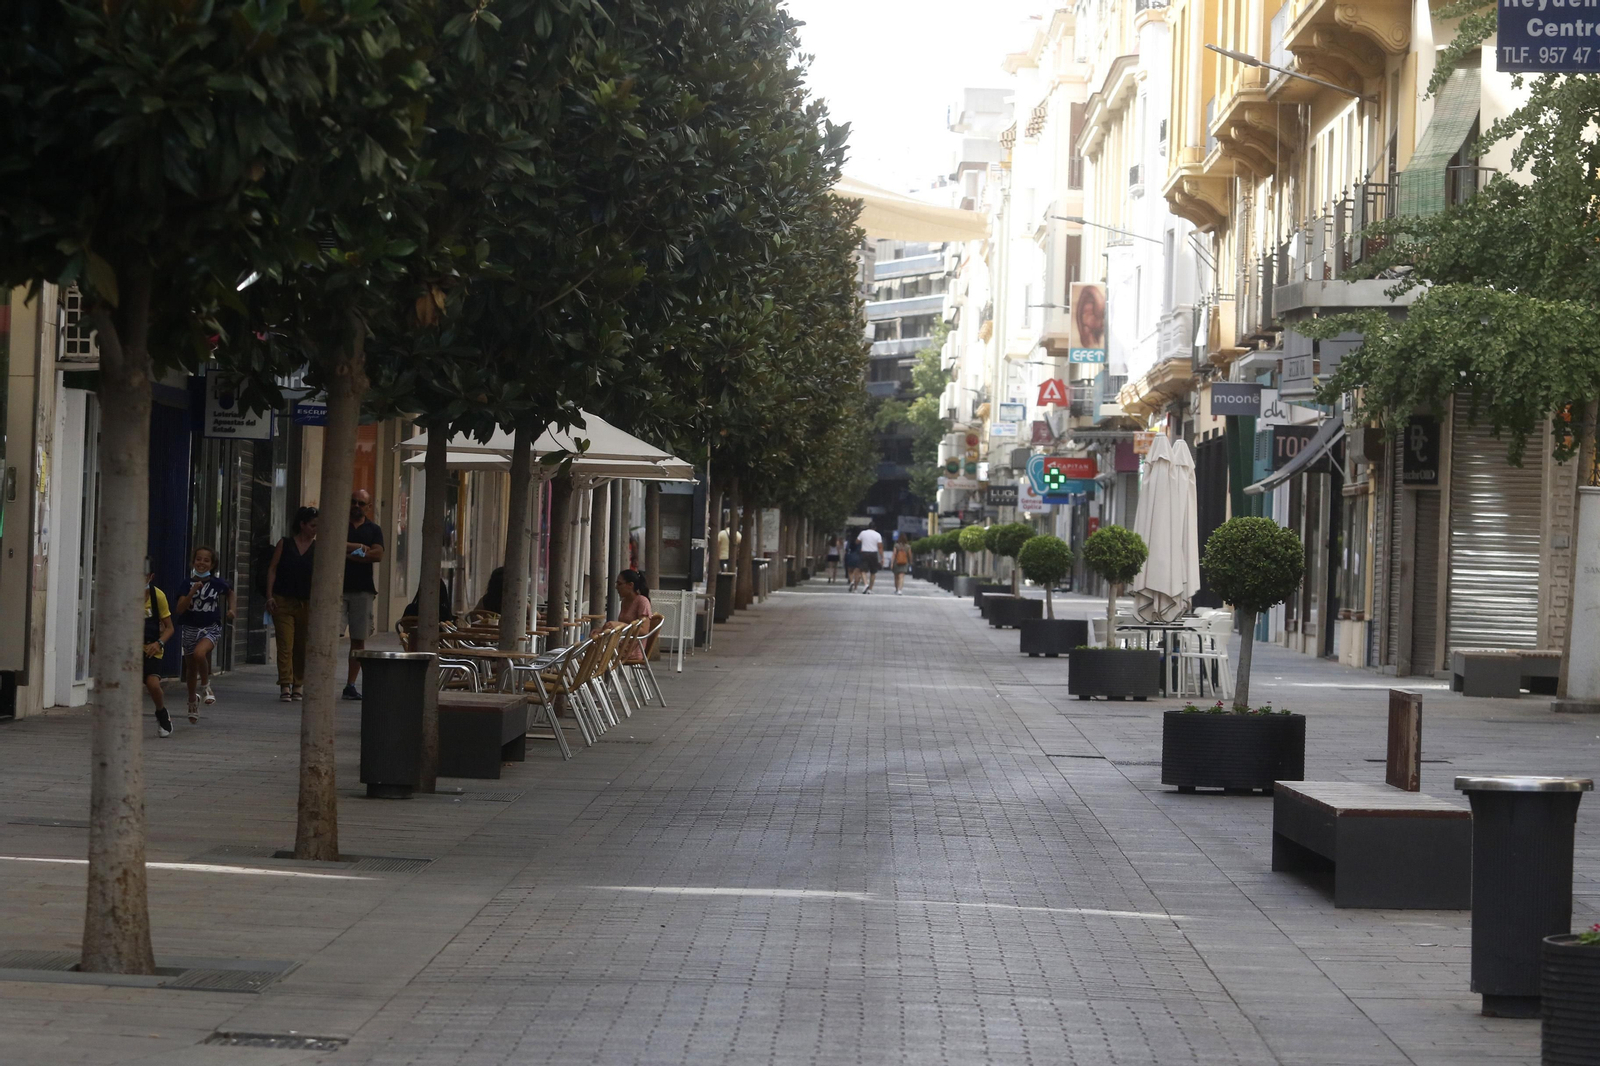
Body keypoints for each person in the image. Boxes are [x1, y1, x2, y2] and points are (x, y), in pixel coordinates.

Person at [174, 546, 234, 723]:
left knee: (201, 653)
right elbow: (179, 609)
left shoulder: (217, 583)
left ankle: (206, 686)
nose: (202, 563)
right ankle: (192, 701)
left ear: (212, 564)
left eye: (206, 560)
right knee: (191, 668)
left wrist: (232, 609)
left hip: (211, 627)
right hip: (190, 628)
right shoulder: (186, 583)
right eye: (198, 559)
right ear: (193, 562)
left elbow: (230, 592)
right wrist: (193, 591)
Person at [266, 506, 317, 702]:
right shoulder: (285, 544)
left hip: (306, 602)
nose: (315, 529)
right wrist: (270, 595)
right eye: (312, 525)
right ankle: (285, 684)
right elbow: (273, 569)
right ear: (302, 525)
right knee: (285, 644)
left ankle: (298, 684)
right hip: (283, 600)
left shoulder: (317, 547)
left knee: (301, 645)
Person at [343, 489, 384, 700]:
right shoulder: (341, 525)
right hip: (338, 590)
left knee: (358, 640)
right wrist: (359, 547)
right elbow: (333, 545)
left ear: (368, 507)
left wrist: (349, 557)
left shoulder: (373, 529)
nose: (357, 506)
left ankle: (350, 684)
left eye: (361, 503)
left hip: (363, 590)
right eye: (354, 502)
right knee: (329, 636)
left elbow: (377, 555)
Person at [144, 563, 175, 738]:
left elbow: (169, 627)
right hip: (129, 648)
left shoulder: (158, 596)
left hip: (151, 647)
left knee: (153, 684)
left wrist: (159, 643)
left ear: (151, 577)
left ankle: (161, 712)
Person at [614, 569, 653, 661]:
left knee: (595, 653)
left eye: (619, 584)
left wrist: (621, 626)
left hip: (633, 649)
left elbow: (644, 630)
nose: (616, 587)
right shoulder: (625, 601)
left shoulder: (642, 601)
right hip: (622, 644)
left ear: (630, 585)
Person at [855, 525, 884, 594]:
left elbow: (857, 542)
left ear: (868, 527)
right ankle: (870, 589)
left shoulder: (863, 533)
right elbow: (880, 547)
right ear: (875, 528)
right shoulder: (878, 535)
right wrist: (882, 557)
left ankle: (865, 584)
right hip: (874, 554)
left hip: (864, 553)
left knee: (863, 570)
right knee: (873, 572)